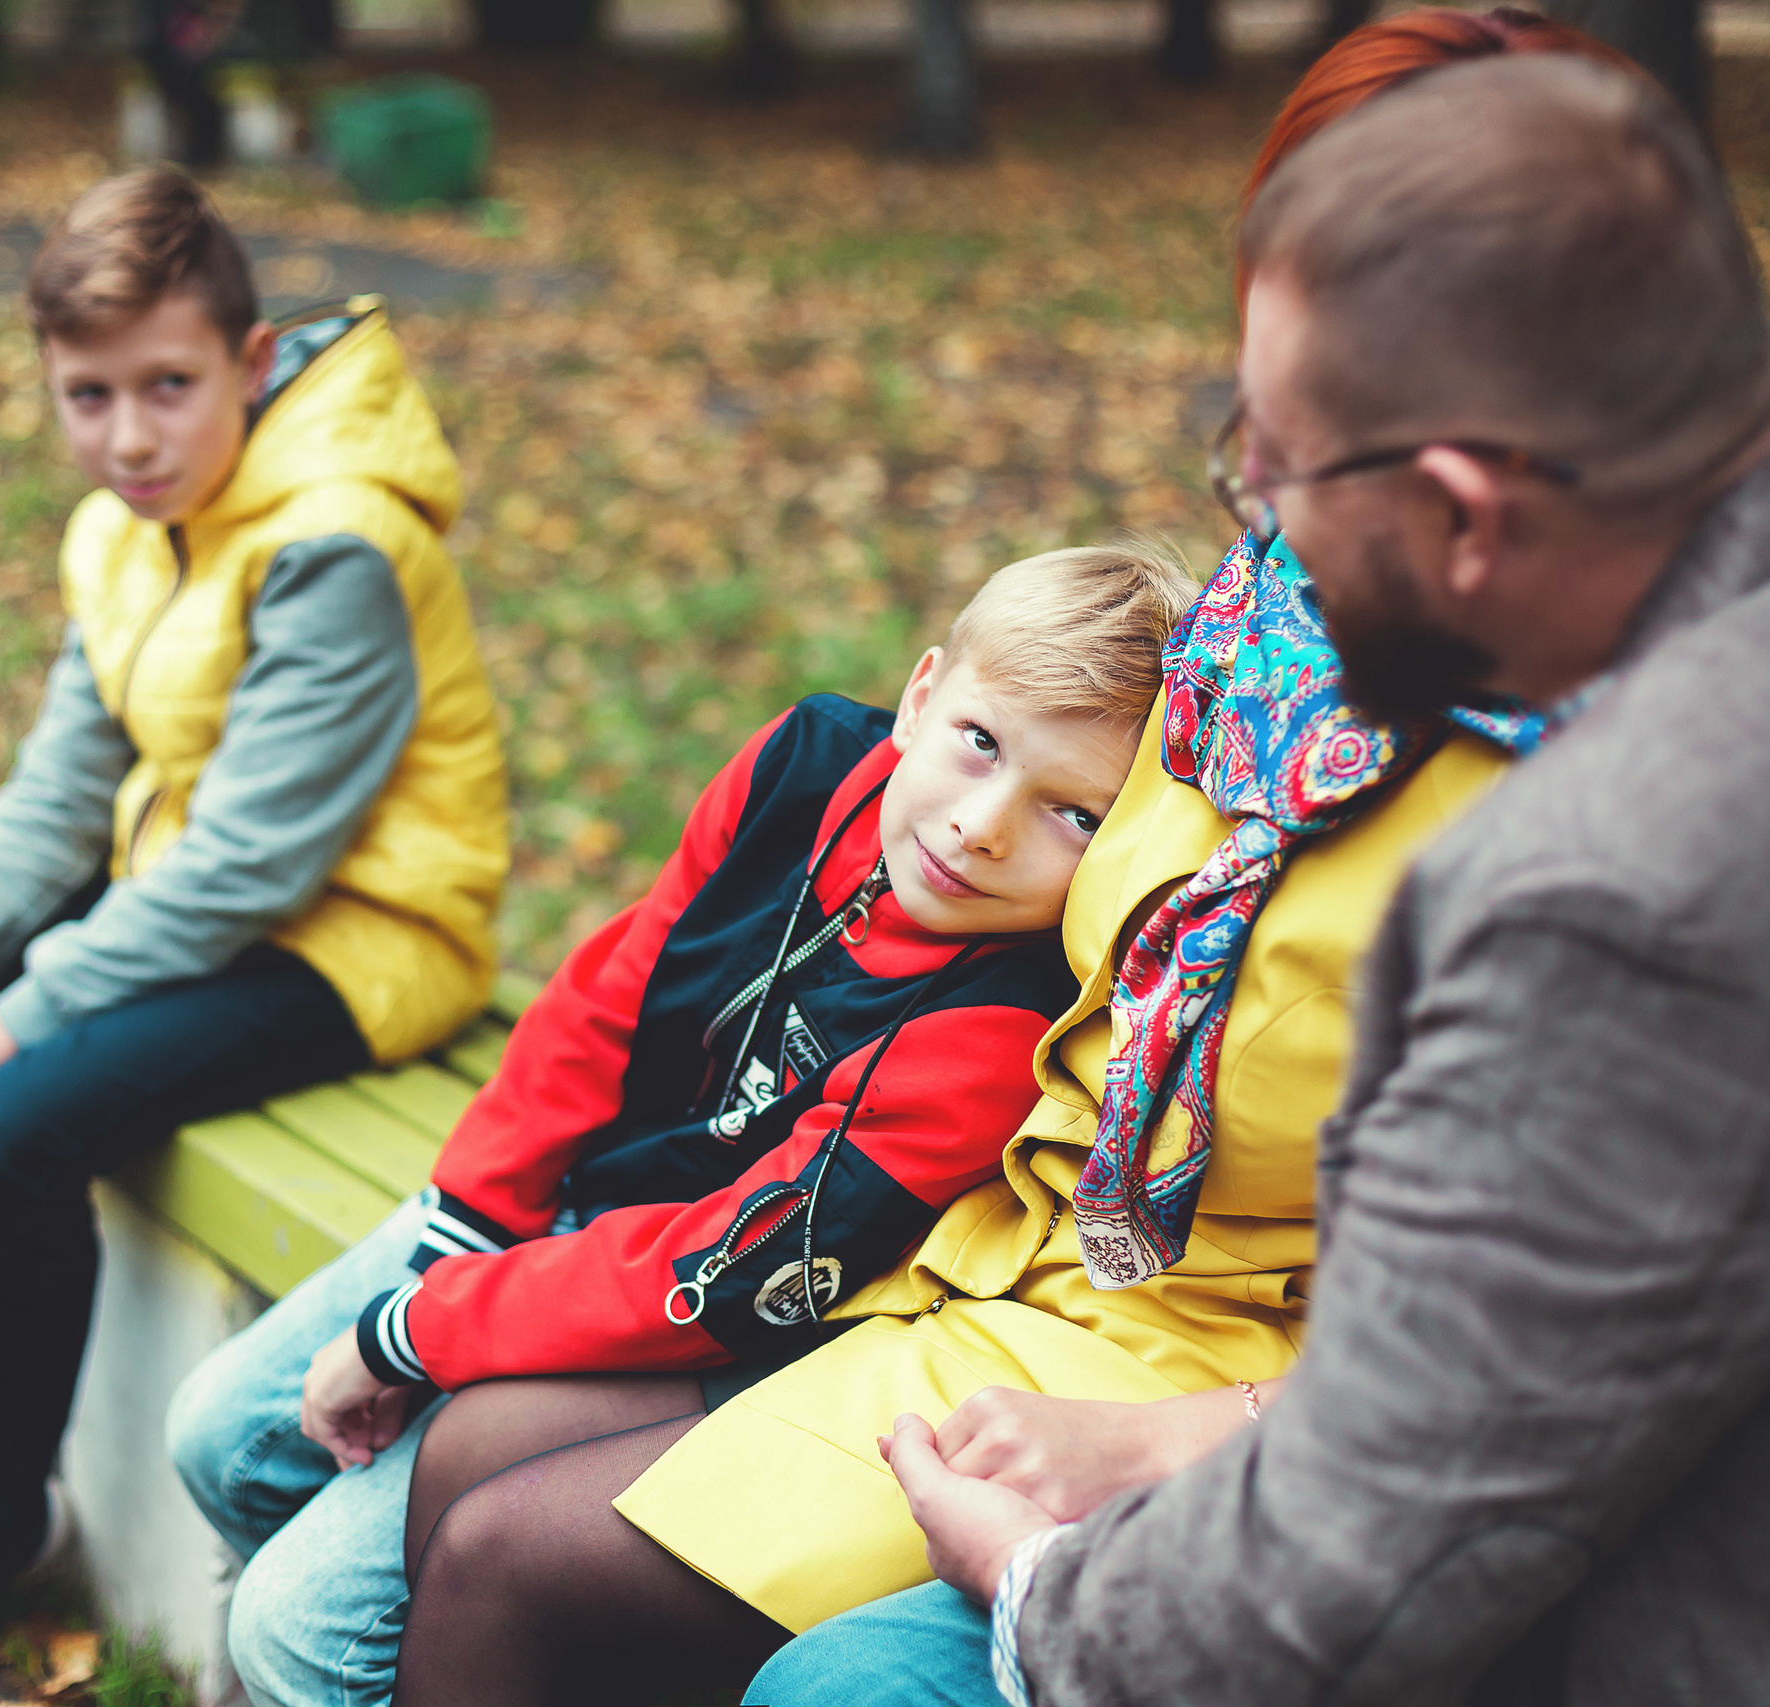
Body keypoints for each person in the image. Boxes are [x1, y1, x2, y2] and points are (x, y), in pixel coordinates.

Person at [375, 24, 1646, 1707]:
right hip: (991, 1256)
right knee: (477, 1458)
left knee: (515, 1564)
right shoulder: (1259, 628)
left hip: (1217, 1366)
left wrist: (1204, 1433)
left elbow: (1559, 1296)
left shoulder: (1585, 761)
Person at [873, 50, 1770, 1707]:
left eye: (1276, 479)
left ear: (1457, 513)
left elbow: (1348, 1576)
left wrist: (1031, 1591)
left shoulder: (1622, 889)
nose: (1261, 538)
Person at [165, 541, 1198, 1707]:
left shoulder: (998, 1022)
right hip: (562, 1223)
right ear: (920, 696)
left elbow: (724, 1270)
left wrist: (417, 1331)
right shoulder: (809, 767)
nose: (981, 828)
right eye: (978, 743)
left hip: (703, 1318)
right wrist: (466, 1222)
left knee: (297, 1627)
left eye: (1071, 813)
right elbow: (623, 976)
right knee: (220, 1434)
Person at [0, 165, 512, 1641]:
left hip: (354, 942)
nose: (131, 436)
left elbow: (248, 871)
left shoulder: (339, 540)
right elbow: (58, 789)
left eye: (167, 385)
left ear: (253, 362)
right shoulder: (127, 527)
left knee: (3, 1126)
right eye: (89, 396)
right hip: (197, 903)